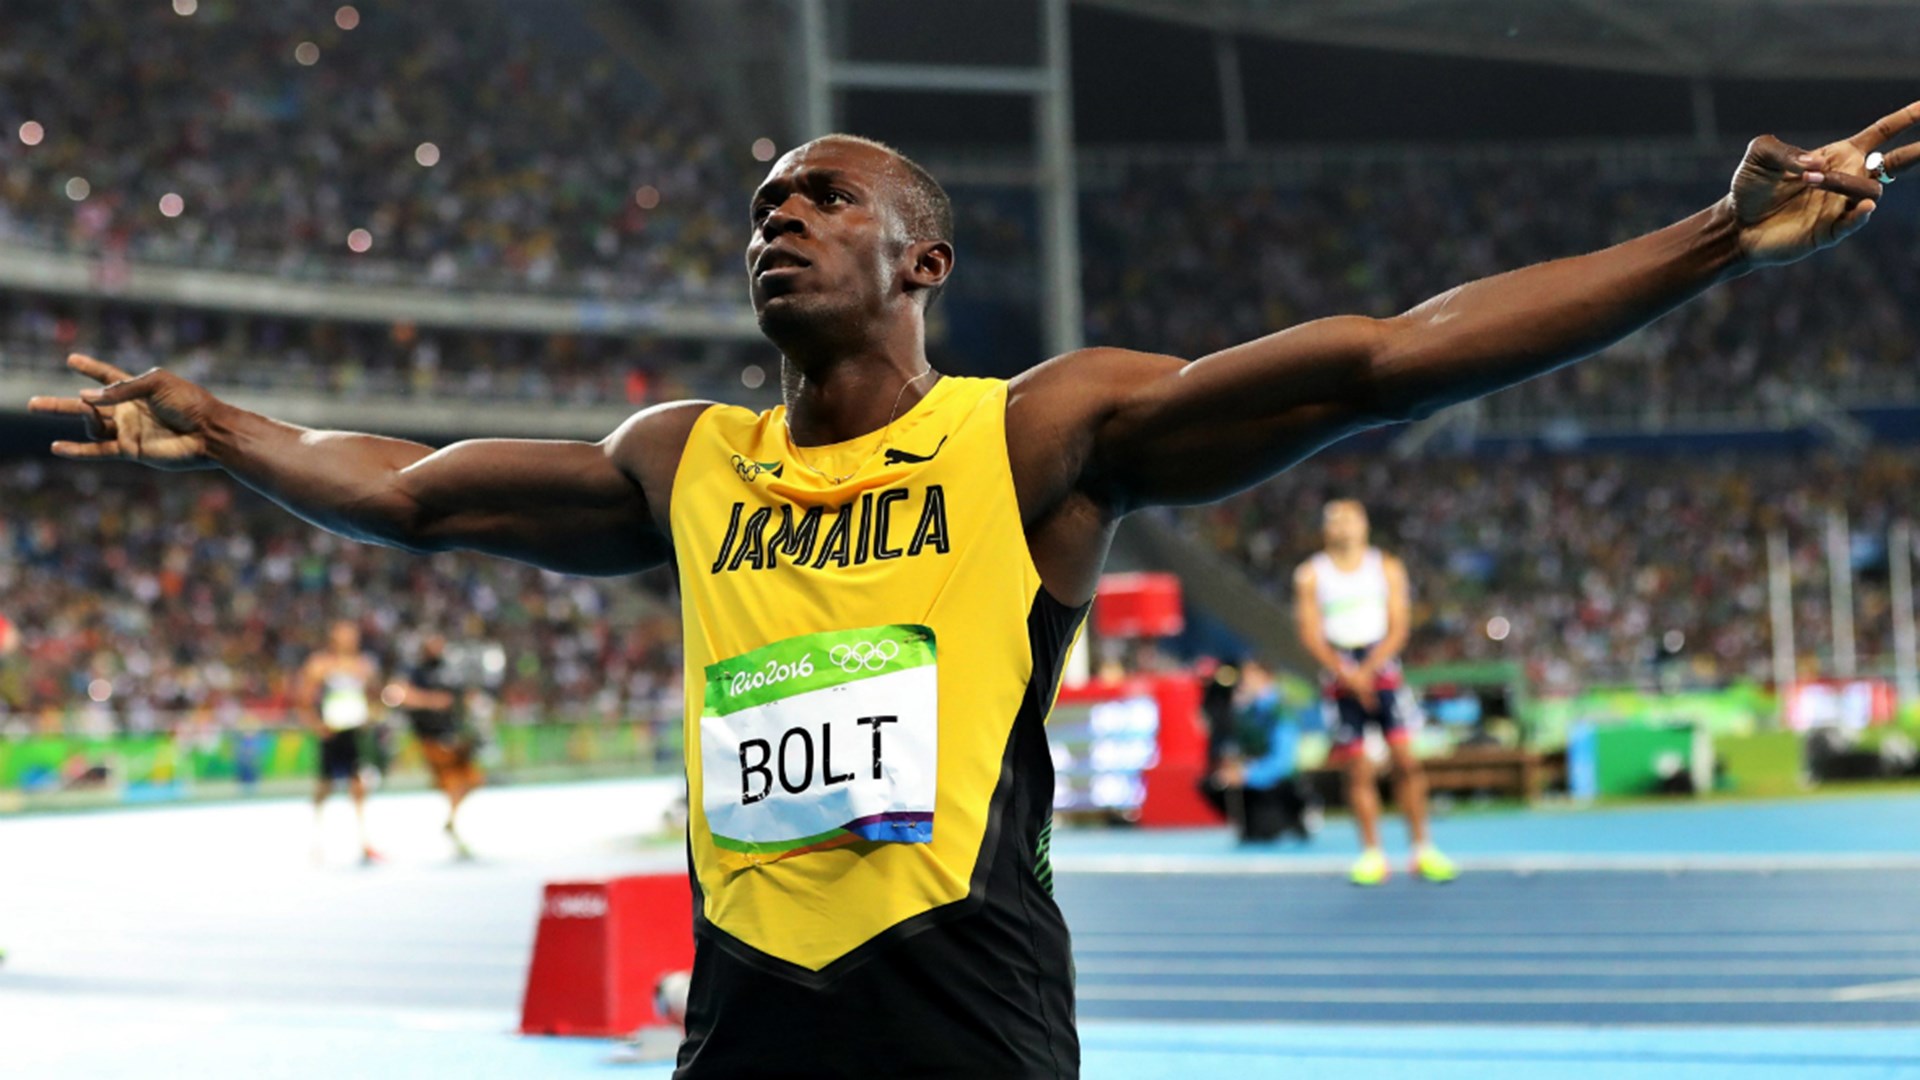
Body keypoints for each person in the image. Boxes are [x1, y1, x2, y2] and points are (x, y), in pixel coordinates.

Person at [28, 106, 1914, 1077]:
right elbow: (414, 492)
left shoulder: (1035, 435)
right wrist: (223, 424)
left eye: (823, 198)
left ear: (922, 260)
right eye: (763, 207)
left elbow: (1384, 360)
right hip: (747, 1009)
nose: (780, 219)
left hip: (962, 1003)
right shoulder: (687, 459)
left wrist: (1713, 240)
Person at [1295, 500, 1449, 884]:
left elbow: (1399, 627)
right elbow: (1310, 633)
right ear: (1325, 529)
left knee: (1406, 760)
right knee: (1358, 767)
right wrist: (1346, 673)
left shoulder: (1386, 567)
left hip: (1381, 666)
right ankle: (1372, 853)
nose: (1344, 527)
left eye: (1351, 519)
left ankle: (1422, 848)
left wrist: (1367, 670)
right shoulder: (1312, 575)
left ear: (1364, 525)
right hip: (1340, 670)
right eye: (1336, 521)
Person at [382, 633, 482, 859]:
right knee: (452, 782)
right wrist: (431, 701)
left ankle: (451, 822)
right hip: (430, 736)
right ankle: (452, 826)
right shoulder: (413, 669)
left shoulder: (450, 668)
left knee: (473, 779)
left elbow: (462, 696)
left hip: (453, 735)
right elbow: (396, 694)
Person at [294, 620, 383, 866]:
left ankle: (364, 840)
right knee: (325, 785)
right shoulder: (320, 665)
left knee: (359, 784)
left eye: (352, 635)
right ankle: (316, 839)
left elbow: (375, 696)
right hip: (331, 732)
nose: (348, 640)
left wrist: (371, 716)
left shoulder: (363, 665)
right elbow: (303, 699)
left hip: (355, 732)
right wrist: (316, 725)